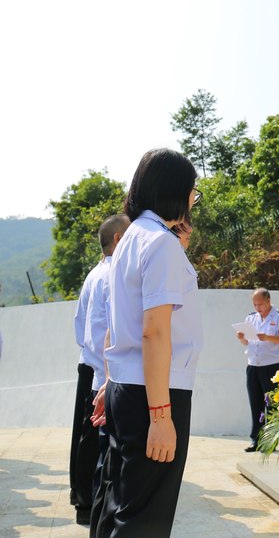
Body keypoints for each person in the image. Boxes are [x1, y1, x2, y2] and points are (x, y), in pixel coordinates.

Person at [91, 148, 201, 538]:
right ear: (175, 190)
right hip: (154, 391)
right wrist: (161, 417)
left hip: (129, 386)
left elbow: (116, 322)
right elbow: (154, 331)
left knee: (120, 506)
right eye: (192, 190)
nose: (193, 199)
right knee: (143, 520)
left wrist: (111, 381)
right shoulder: (159, 243)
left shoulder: (131, 240)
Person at [68, 214, 130, 525]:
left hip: (90, 363)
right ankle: (90, 505)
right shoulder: (113, 275)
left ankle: (81, 498)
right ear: (118, 239)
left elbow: (80, 323)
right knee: (97, 442)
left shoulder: (94, 274)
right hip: (103, 369)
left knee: (85, 437)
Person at [236, 288, 279, 452]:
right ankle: (256, 440)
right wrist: (242, 339)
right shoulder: (251, 318)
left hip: (272, 366)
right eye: (255, 305)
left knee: (272, 406)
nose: (258, 308)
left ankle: (271, 441)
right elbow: (248, 343)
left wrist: (267, 337)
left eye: (261, 305)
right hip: (253, 366)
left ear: (268, 301)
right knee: (255, 404)